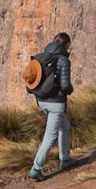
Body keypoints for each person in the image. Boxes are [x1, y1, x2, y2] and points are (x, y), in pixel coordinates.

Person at [29, 32, 74, 181]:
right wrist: (70, 89)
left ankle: (65, 159)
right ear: (66, 45)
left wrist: (39, 101)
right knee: (50, 137)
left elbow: (34, 82)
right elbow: (65, 86)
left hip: (42, 101)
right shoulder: (63, 61)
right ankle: (36, 169)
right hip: (56, 104)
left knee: (65, 126)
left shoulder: (41, 57)